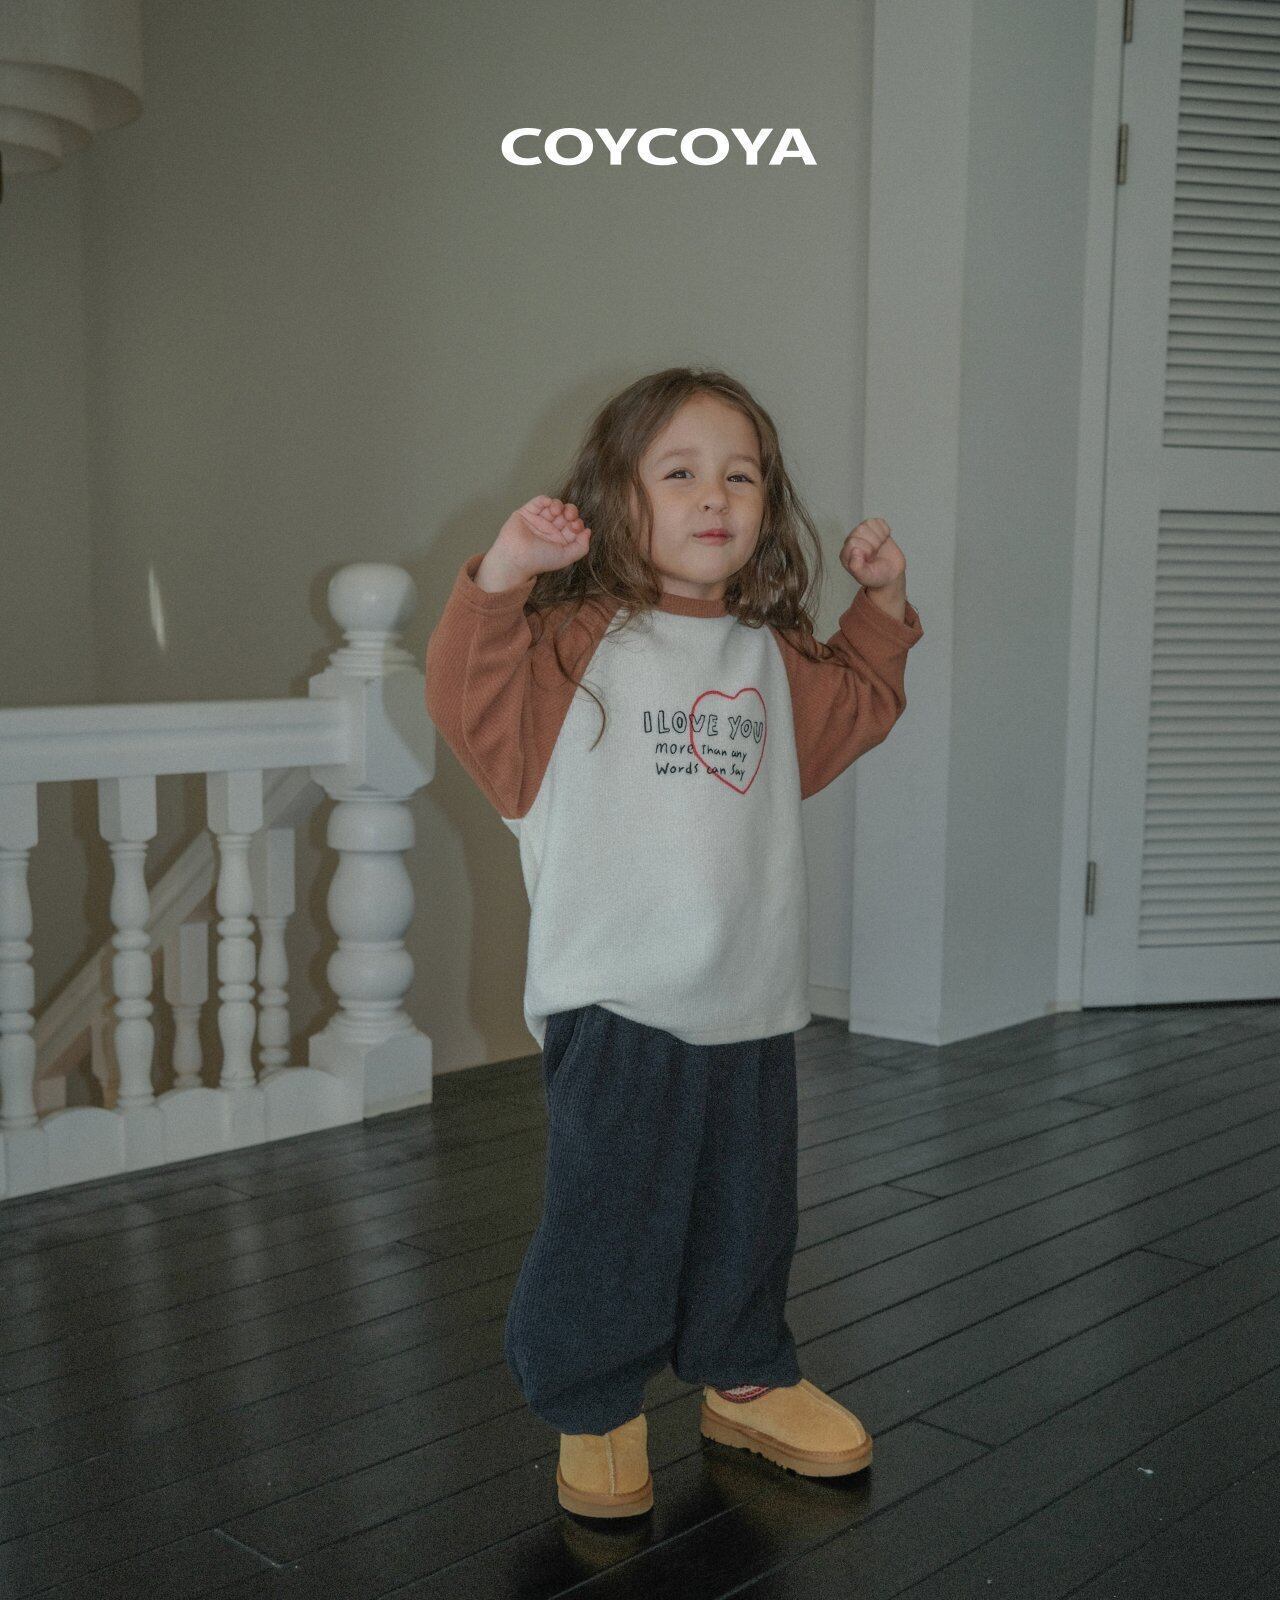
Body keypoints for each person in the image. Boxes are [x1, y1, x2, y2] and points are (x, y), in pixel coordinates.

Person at [424, 366, 924, 1518]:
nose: (715, 496)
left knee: (748, 1208)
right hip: (616, 1001)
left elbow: (856, 700)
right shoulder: (567, 645)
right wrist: (504, 574)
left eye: (739, 476)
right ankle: (592, 1404)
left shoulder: (765, 652)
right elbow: (464, 693)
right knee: (612, 1217)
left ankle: (744, 1375)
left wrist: (883, 602)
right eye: (681, 472)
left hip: (749, 996)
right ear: (614, 498)